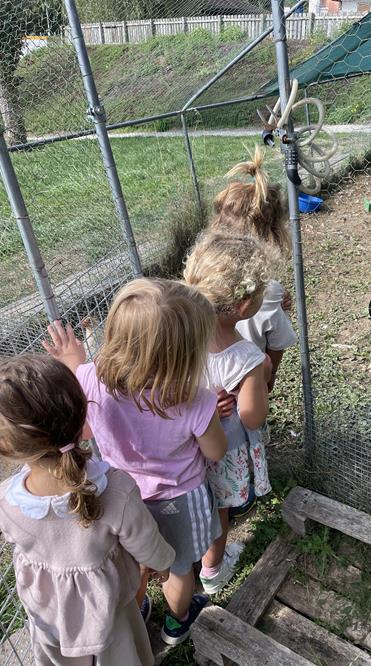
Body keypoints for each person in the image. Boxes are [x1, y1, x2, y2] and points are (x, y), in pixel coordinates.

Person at [43, 279, 228, 646]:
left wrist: (74, 363)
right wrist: (215, 420)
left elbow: (85, 430)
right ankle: (178, 622)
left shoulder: (93, 381)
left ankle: (138, 611)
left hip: (121, 497)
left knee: (135, 564)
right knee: (177, 567)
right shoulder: (195, 400)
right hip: (180, 500)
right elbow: (216, 452)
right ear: (185, 354)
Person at [0, 354, 175, 666]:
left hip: (48, 612)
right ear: (82, 417)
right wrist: (161, 564)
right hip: (111, 609)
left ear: (8, 447)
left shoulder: (7, 501)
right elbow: (146, 542)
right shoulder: (117, 489)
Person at [184, 232, 273, 594]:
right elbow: (252, 417)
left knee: (197, 504)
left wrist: (203, 401)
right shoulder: (247, 357)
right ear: (244, 304)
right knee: (219, 509)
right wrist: (261, 380)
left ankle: (186, 560)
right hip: (225, 450)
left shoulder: (182, 340)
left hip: (187, 448)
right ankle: (212, 571)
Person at [210, 146, 297, 391]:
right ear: (272, 236)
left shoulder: (199, 281)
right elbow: (277, 343)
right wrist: (268, 379)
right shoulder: (266, 292)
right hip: (247, 385)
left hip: (206, 395)